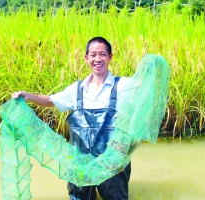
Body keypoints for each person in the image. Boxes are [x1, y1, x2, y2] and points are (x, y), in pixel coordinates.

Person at [12, 36, 131, 200]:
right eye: (93, 54)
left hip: (111, 163)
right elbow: (50, 101)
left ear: (110, 57)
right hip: (80, 162)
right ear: (86, 58)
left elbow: (147, 88)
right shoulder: (77, 89)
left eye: (102, 54)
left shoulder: (124, 86)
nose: (98, 59)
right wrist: (28, 96)